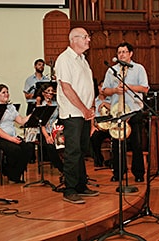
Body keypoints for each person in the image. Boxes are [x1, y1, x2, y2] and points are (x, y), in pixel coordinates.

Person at [55, 27, 99, 204]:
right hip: (73, 113)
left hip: (85, 113)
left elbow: (87, 87)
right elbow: (67, 88)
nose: (88, 40)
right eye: (85, 37)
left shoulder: (83, 60)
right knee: (72, 152)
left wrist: (91, 109)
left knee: (82, 151)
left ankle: (81, 185)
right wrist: (84, 109)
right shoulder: (64, 59)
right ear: (74, 39)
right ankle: (70, 189)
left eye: (88, 36)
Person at [102, 42, 149, 182]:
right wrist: (115, 90)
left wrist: (130, 88)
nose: (121, 54)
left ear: (130, 53)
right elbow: (104, 90)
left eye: (124, 52)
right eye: (119, 52)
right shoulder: (111, 71)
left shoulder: (138, 69)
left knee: (137, 144)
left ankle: (138, 174)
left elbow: (145, 89)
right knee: (117, 144)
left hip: (134, 111)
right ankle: (118, 173)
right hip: (118, 112)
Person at [0, 84, 33, 183]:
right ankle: (10, 173)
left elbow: (21, 121)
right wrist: (12, 139)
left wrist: (33, 114)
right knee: (14, 149)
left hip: (11, 136)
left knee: (28, 147)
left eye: (7, 92)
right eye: (3, 92)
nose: (6, 94)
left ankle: (15, 174)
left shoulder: (10, 107)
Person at [35, 83, 63, 174]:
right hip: (44, 132)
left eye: (52, 91)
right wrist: (47, 136)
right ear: (43, 93)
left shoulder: (56, 104)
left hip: (55, 130)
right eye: (48, 91)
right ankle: (61, 168)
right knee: (51, 146)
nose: (51, 93)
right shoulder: (41, 105)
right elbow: (41, 124)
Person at [90, 80, 112, 168]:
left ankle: (112, 161)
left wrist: (106, 104)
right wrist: (92, 126)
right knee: (94, 137)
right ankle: (99, 159)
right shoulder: (94, 101)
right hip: (99, 126)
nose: (103, 89)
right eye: (102, 87)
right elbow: (92, 115)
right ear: (98, 87)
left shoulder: (111, 100)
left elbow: (116, 110)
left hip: (111, 126)